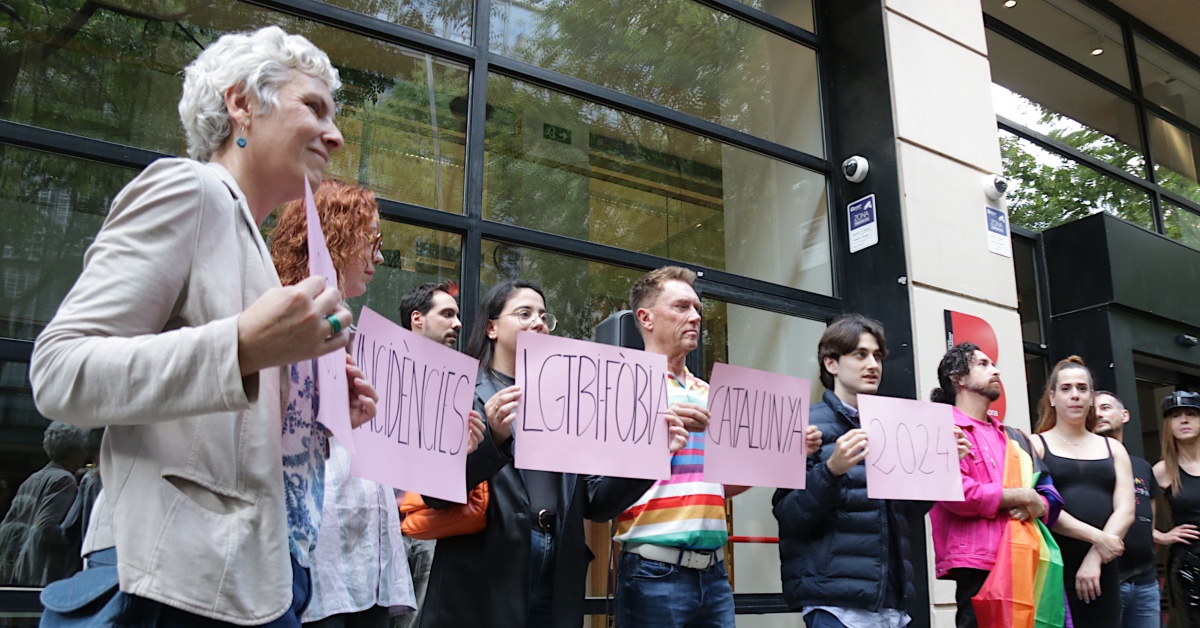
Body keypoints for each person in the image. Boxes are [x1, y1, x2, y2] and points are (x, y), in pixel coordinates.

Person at [28, 27, 379, 625]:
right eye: (313, 107)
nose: (337, 135)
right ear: (242, 103)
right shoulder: (188, 189)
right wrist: (243, 345)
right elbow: (60, 371)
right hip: (173, 585)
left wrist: (312, 403)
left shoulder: (255, 252)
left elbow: (223, 426)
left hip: (254, 583)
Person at [418, 278, 688, 628]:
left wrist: (653, 455)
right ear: (491, 327)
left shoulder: (572, 402)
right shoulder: (463, 388)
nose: (538, 322)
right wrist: (494, 439)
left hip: (558, 567)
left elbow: (598, 503)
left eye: (544, 316)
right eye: (524, 313)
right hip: (485, 570)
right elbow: (435, 494)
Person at [612, 266, 821, 628]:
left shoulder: (712, 394)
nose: (695, 316)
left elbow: (721, 487)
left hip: (714, 574)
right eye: (681, 306)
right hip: (652, 571)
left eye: (696, 308)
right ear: (644, 317)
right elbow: (601, 486)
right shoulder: (621, 385)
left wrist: (781, 455)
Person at [272, 179, 435, 628]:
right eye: (373, 242)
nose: (379, 257)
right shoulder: (279, 322)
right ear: (335, 235)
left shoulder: (365, 344)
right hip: (315, 552)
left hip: (369, 562)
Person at [773, 314, 969, 628]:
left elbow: (906, 514)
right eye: (860, 354)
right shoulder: (803, 425)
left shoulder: (894, 425)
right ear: (831, 364)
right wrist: (831, 470)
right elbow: (790, 515)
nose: (873, 364)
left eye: (877, 356)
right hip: (835, 605)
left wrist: (944, 465)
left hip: (891, 603)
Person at [928, 343, 1063, 628]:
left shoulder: (1014, 437)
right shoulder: (941, 430)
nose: (996, 370)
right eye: (983, 364)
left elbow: (1048, 491)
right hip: (977, 565)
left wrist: (1040, 504)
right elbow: (958, 494)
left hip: (1024, 559)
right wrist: (1022, 495)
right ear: (957, 378)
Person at [1030, 357, 1134, 627]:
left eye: (1082, 388)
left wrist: (1095, 556)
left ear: (1091, 398)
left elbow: (1126, 510)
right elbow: (1040, 506)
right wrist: (1099, 538)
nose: (1074, 395)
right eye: (1066, 389)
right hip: (1052, 565)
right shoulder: (1035, 445)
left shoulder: (1114, 449)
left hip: (1103, 568)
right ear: (1052, 397)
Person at [395, 280, 463, 628]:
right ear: (417, 318)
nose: (458, 323)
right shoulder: (382, 370)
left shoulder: (458, 384)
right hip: (386, 524)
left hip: (432, 528)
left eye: (458, 315)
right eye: (448, 314)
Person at [1093, 390, 1161, 628]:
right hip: (1107, 579)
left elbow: (1148, 520)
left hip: (1146, 582)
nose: (1098, 413)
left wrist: (1163, 536)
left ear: (1124, 415)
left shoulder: (1143, 467)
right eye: (1094, 409)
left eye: (1105, 407)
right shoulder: (1088, 464)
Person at [0, 422, 90, 586]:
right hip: (41, 568)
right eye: (83, 448)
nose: (85, 454)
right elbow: (46, 527)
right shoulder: (64, 480)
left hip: (22, 566)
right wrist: (77, 542)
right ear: (73, 451)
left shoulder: (32, 478)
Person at [1151, 390, 1200, 628]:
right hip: (1189, 564)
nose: (1183, 420)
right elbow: (1134, 514)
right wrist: (1162, 536)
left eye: (1191, 414)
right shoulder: (1162, 471)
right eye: (1175, 415)